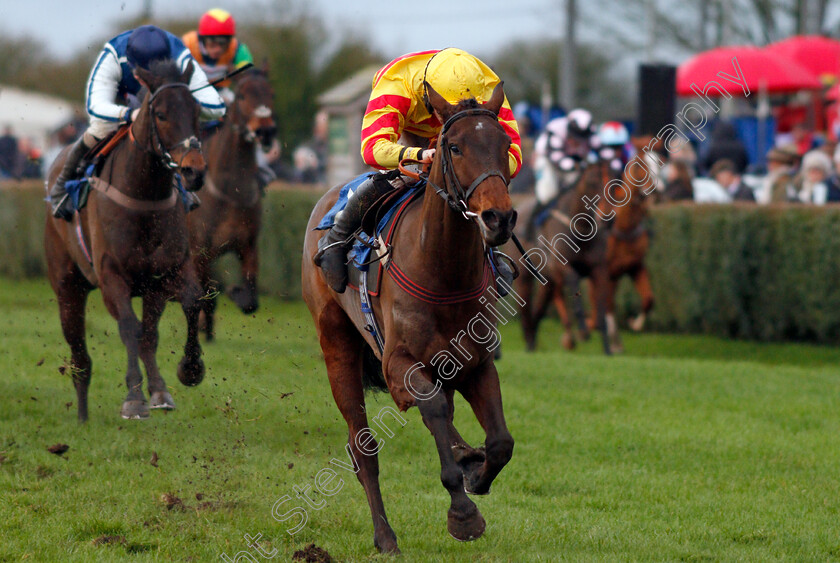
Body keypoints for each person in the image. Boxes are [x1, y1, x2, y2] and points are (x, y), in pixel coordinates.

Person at [314, 48, 523, 293]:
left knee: (475, 188)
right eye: (444, 110)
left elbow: (515, 158)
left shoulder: (487, 87)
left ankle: (492, 253)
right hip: (409, 136)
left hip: (464, 143)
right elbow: (372, 149)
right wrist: (420, 155)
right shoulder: (396, 85)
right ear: (428, 95)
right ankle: (336, 239)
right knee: (396, 179)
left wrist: (478, 166)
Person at [49, 25, 226, 220]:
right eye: (141, 75)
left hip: (163, 102)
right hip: (121, 102)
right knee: (100, 127)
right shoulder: (113, 55)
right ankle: (61, 186)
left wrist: (183, 105)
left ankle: (182, 187)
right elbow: (95, 107)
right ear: (130, 63)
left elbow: (217, 108)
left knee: (171, 131)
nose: (143, 81)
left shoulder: (180, 55)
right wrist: (129, 114)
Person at [525, 109, 597, 240]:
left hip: (573, 162)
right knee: (548, 194)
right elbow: (556, 157)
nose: (578, 140)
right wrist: (579, 165)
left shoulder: (591, 132)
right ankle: (530, 227)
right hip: (547, 160)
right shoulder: (556, 129)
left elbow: (599, 152)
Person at [182, 8, 254, 105]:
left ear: (230, 41)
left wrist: (237, 72)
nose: (218, 49)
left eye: (223, 44)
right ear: (202, 39)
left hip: (221, 92)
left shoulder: (237, 48)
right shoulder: (187, 43)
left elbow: (247, 72)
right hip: (190, 90)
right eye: (212, 43)